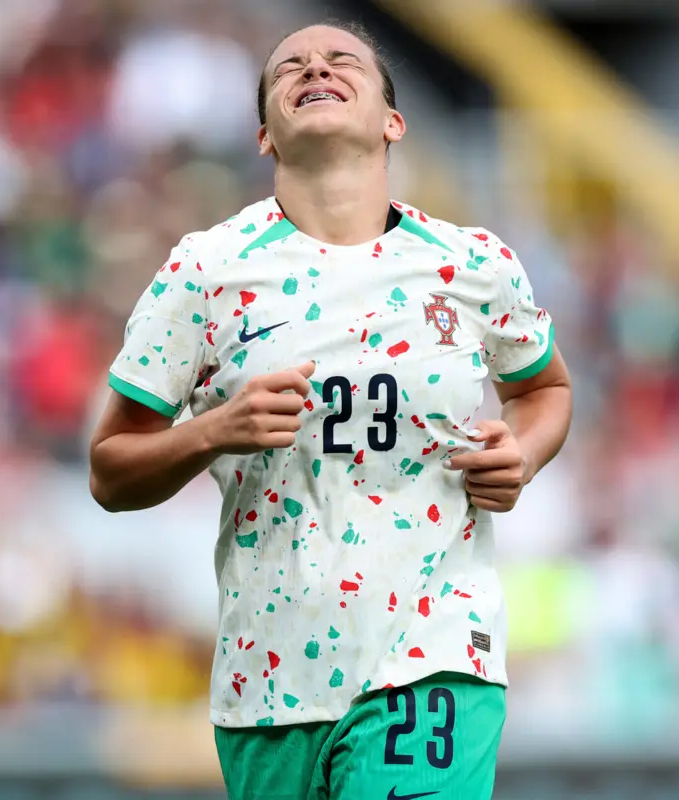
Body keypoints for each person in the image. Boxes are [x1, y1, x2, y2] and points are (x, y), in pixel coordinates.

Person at [89, 20, 573, 800]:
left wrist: (524, 452)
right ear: (263, 136)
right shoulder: (204, 271)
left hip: (435, 654)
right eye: (290, 67)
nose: (315, 66)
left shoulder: (474, 263)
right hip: (269, 680)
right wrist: (216, 430)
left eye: (343, 60)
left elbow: (544, 390)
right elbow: (111, 470)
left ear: (393, 120)